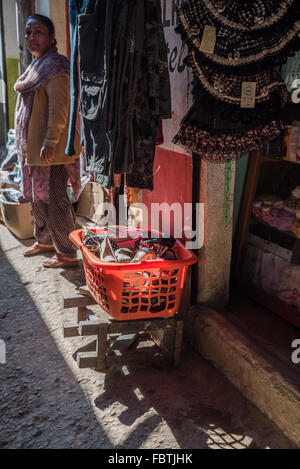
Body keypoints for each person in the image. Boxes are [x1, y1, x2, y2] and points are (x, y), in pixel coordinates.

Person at [14, 14, 82, 268]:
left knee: (55, 200)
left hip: (51, 149)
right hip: (34, 150)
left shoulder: (56, 66)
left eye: (38, 32)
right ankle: (44, 240)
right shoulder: (37, 65)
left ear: (52, 37)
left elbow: (60, 107)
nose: (32, 37)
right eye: (28, 33)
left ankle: (66, 253)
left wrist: (51, 141)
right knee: (38, 198)